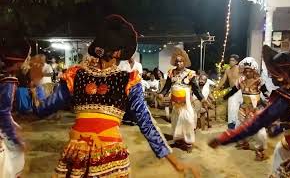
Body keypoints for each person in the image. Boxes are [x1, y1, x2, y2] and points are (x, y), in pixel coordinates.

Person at [31, 15, 198, 178]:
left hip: (76, 158)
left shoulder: (75, 76)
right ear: (119, 52)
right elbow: (147, 124)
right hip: (110, 159)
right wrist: (175, 162)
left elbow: (41, 109)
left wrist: (35, 86)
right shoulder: (128, 81)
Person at [209, 45, 290, 177]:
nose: (270, 77)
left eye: (272, 73)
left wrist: (224, 138)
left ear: (281, 75)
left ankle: (259, 150)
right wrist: (278, 129)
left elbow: (257, 123)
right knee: (280, 148)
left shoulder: (286, 95)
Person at [159, 48, 207, 152]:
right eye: (177, 61)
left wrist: (202, 99)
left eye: (180, 61)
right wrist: (162, 94)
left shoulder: (190, 73)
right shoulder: (171, 72)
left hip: (187, 102)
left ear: (184, 62)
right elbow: (167, 87)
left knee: (188, 120)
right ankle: (178, 139)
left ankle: (189, 143)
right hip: (175, 102)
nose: (178, 63)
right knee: (176, 120)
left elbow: (196, 88)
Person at [223, 57, 269, 161]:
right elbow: (234, 90)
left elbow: (265, 92)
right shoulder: (241, 80)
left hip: (255, 108)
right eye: (246, 71)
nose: (247, 73)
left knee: (259, 130)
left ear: (254, 70)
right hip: (244, 108)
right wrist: (224, 97)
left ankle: (260, 151)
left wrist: (270, 100)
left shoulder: (259, 80)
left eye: (249, 71)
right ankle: (244, 143)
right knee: (241, 126)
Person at [0, 38, 30, 178]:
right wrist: (16, 139)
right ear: (18, 63)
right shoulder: (9, 80)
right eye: (27, 59)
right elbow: (3, 113)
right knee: (12, 162)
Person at [215, 54, 242, 129]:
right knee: (231, 110)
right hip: (231, 91)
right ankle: (232, 128)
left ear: (236, 62)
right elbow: (223, 80)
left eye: (233, 60)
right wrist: (217, 88)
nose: (231, 62)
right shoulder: (227, 70)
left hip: (240, 91)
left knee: (240, 111)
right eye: (230, 60)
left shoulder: (239, 69)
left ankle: (240, 128)